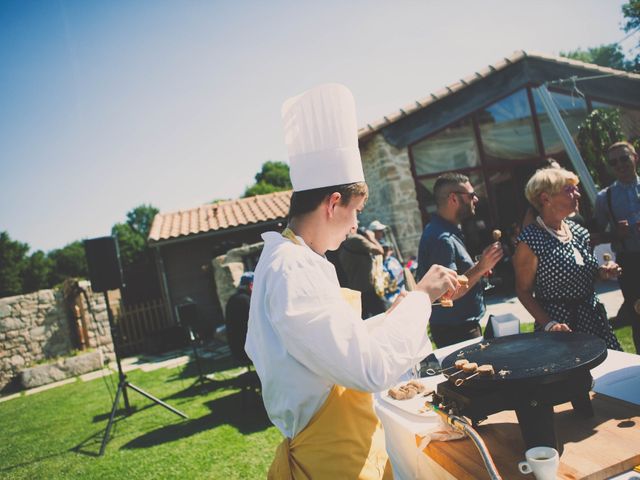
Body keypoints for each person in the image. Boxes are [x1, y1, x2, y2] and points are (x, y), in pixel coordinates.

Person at [245, 83, 459, 479]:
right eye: (357, 210)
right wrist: (421, 298)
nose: (358, 224)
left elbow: (332, 345)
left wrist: (396, 313)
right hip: (334, 462)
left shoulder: (294, 259)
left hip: (344, 447)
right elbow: (369, 368)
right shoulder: (292, 268)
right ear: (333, 204)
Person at [513, 167, 622, 350]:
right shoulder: (531, 240)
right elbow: (523, 291)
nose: (578, 194)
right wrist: (550, 324)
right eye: (569, 190)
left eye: (575, 188)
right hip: (560, 329)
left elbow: (582, 273)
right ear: (545, 198)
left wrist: (603, 271)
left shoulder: (578, 231)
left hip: (593, 320)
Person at [416, 173, 504, 348]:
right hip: (456, 331)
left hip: (458, 327)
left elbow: (456, 276)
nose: (476, 199)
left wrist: (477, 271)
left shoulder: (445, 230)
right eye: (471, 195)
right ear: (453, 199)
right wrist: (480, 267)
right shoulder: (441, 238)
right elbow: (447, 294)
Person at [593, 141, 640, 353]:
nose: (619, 164)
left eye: (624, 158)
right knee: (638, 315)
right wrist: (615, 234)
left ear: (635, 157)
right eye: (613, 162)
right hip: (629, 263)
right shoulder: (605, 197)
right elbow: (594, 235)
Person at [338, 227, 387, 318]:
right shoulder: (356, 239)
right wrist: (372, 238)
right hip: (368, 288)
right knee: (382, 316)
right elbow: (380, 251)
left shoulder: (342, 242)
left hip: (357, 289)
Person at [224, 272, 253, 364]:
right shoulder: (246, 300)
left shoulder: (232, 299)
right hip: (248, 349)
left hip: (236, 349)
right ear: (251, 285)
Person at [381, 241, 405, 307]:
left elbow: (400, 276)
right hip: (389, 296)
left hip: (399, 291)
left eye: (386, 249)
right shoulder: (379, 263)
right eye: (383, 249)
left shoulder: (391, 260)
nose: (385, 252)